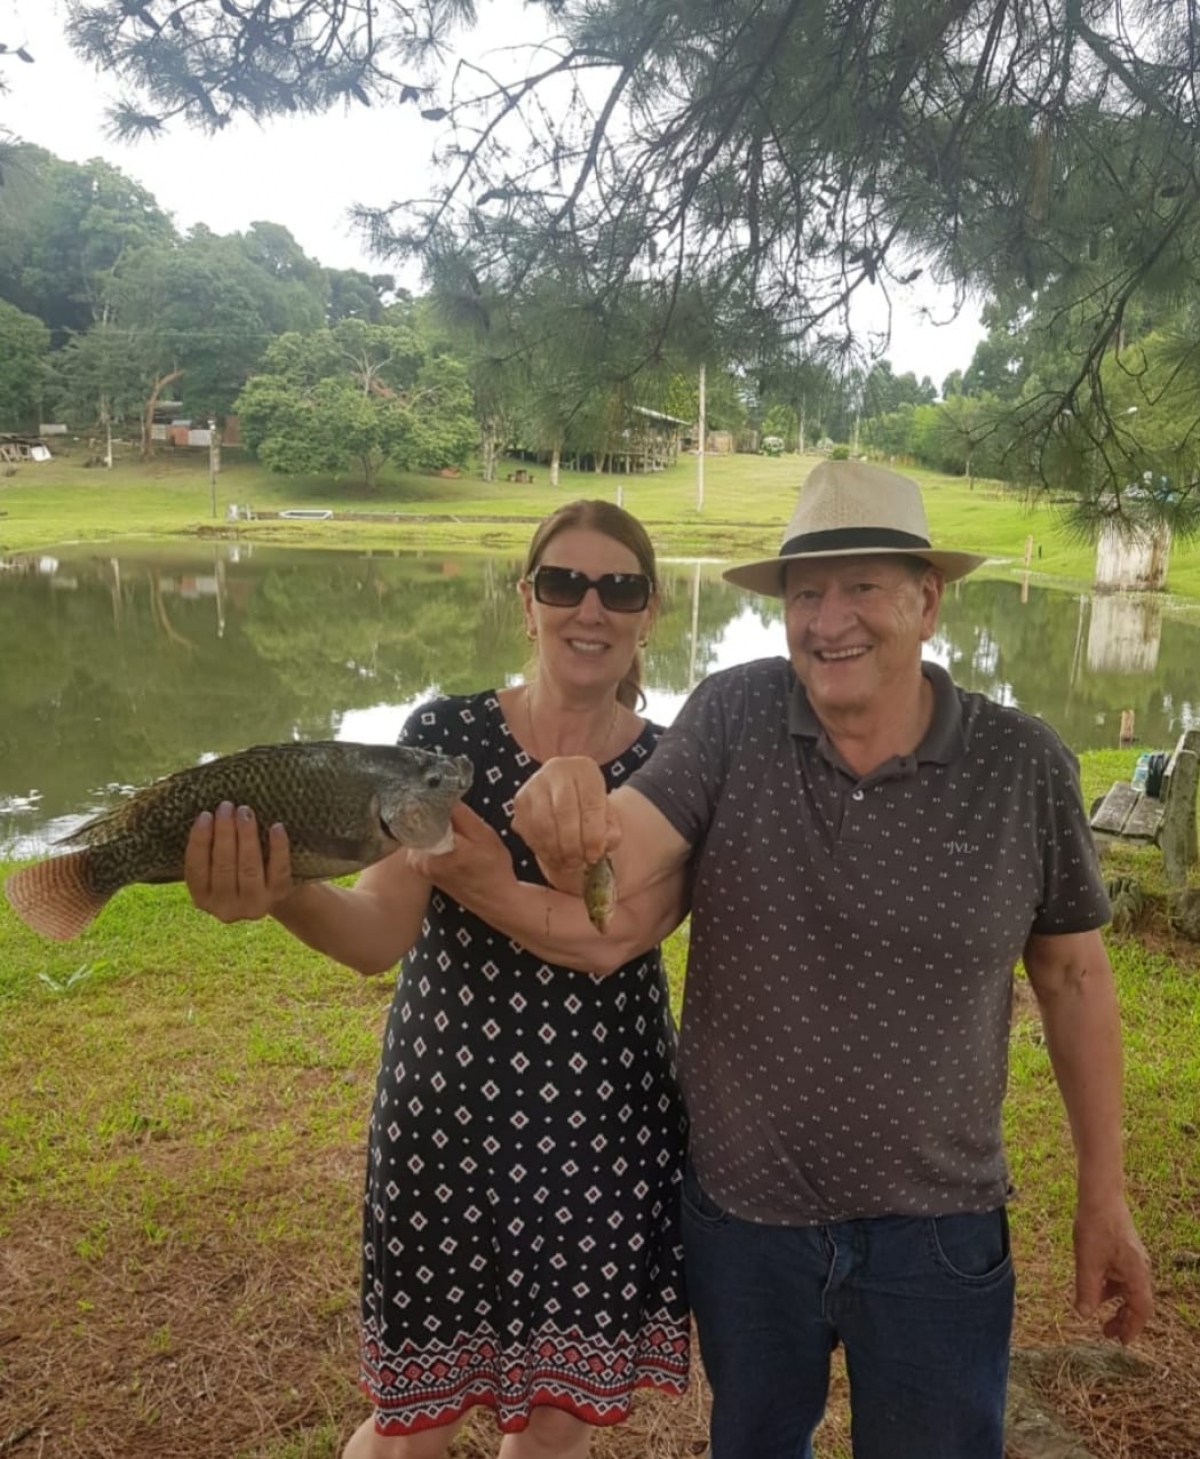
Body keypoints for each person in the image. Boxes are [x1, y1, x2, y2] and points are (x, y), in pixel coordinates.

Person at [478, 461, 1153, 1459]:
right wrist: (571, 799)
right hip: (745, 1222)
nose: (827, 620)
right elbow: (630, 840)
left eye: (861, 587)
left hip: (938, 1228)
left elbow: (1074, 978)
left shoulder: (1024, 764)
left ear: (926, 601)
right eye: (804, 593)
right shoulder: (734, 714)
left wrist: (1105, 1189)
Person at [183, 500, 690, 1459]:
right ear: (526, 601)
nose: (591, 608)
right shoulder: (443, 741)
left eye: (618, 586)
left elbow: (617, 936)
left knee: (554, 1422)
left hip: (607, 1126)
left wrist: (490, 881)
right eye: (562, 582)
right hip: (448, 1119)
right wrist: (278, 885)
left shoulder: (671, 765)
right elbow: (377, 933)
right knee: (413, 1419)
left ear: (650, 610)